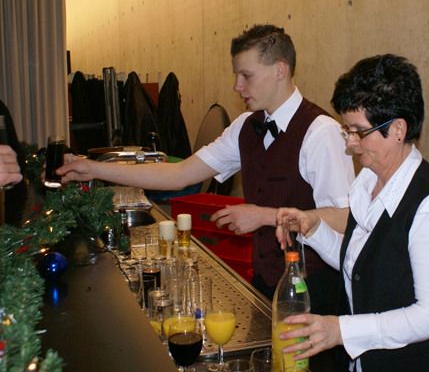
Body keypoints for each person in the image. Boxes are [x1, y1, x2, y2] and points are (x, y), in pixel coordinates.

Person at [55, 24, 355, 315]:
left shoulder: (321, 132)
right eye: (236, 75)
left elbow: (345, 219)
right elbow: (179, 174)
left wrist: (265, 216)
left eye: (246, 75)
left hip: (315, 291)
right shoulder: (245, 126)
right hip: (266, 282)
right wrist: (96, 169)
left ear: (280, 70)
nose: (237, 86)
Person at [274, 54, 429, 372]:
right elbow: (360, 266)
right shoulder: (368, 181)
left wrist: (343, 331)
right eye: (347, 129)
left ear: (398, 129)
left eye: (359, 131)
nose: (351, 143)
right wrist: (313, 228)